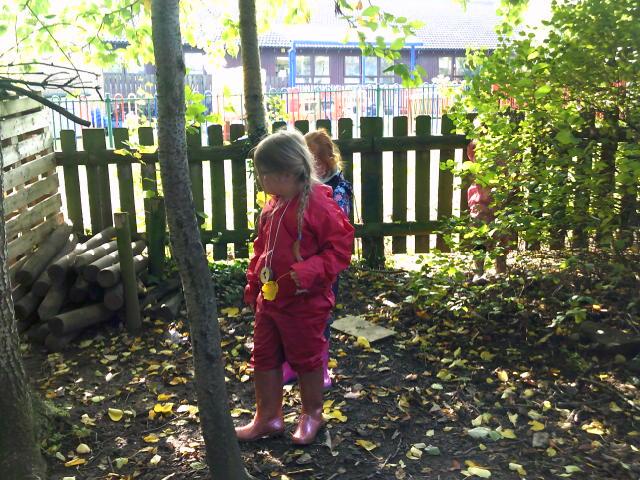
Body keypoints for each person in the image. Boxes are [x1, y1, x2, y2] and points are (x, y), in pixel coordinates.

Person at [237, 129, 354, 445]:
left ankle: (312, 414)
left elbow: (340, 249)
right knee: (264, 355)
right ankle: (267, 417)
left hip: (305, 302)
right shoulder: (273, 205)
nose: (262, 180)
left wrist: (307, 272)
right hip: (270, 301)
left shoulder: (320, 205)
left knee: (306, 357)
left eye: (266, 174)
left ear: (288, 173)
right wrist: (253, 283)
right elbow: (262, 249)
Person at [279, 129, 354, 388]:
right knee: (292, 312)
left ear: (324, 163)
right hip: (296, 266)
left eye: (310, 162)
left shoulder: (336, 191)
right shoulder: (298, 189)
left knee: (319, 315)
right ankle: (291, 365)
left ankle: (320, 367)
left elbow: (338, 236)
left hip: (322, 269)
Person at [466, 140, 507, 282]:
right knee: (479, 238)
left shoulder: (503, 147)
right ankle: (478, 272)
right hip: (480, 202)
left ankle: (501, 271)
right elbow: (472, 155)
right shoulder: (477, 146)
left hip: (499, 203)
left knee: (501, 236)